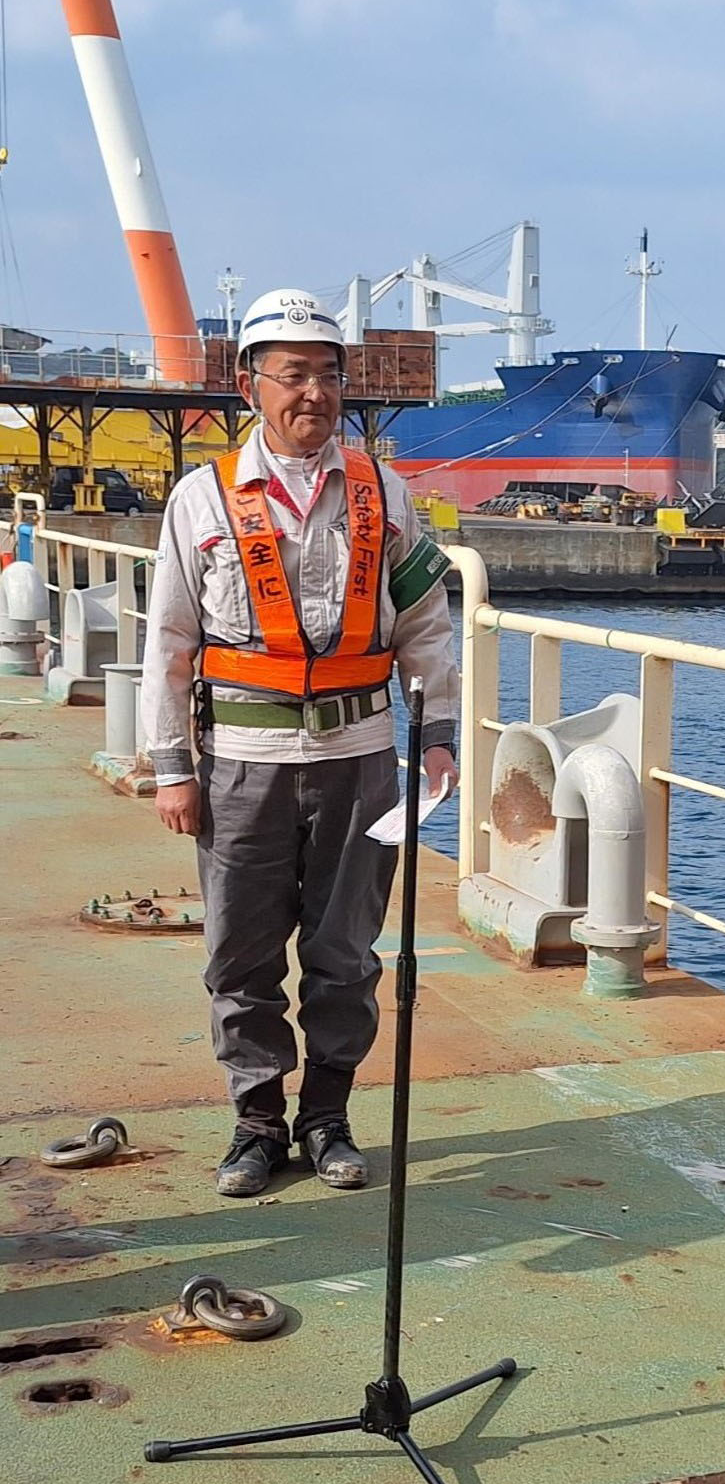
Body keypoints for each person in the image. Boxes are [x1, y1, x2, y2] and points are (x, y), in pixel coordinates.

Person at [141, 288, 459, 1199]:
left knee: (345, 953)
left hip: (360, 759)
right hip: (241, 764)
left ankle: (326, 1117)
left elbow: (425, 625)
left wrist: (438, 735)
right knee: (240, 957)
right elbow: (169, 643)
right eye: (291, 375)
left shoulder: (383, 493)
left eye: (326, 374)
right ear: (251, 387)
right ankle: (255, 1123)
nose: (312, 392)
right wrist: (172, 768)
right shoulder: (201, 499)